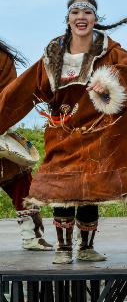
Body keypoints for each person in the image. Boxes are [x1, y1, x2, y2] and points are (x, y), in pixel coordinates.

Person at [0, 0, 127, 264]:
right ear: (67, 19)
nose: (81, 17)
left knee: (89, 190)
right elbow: (25, 90)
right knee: (62, 190)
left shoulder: (109, 50)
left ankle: (87, 248)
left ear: (95, 19)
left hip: (97, 132)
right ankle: (63, 249)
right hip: (63, 130)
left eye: (87, 13)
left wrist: (110, 79)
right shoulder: (53, 53)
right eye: (76, 13)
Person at [0, 40, 52, 251]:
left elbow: (9, 97)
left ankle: (31, 235)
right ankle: (31, 236)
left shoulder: (2, 59)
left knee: (21, 182)